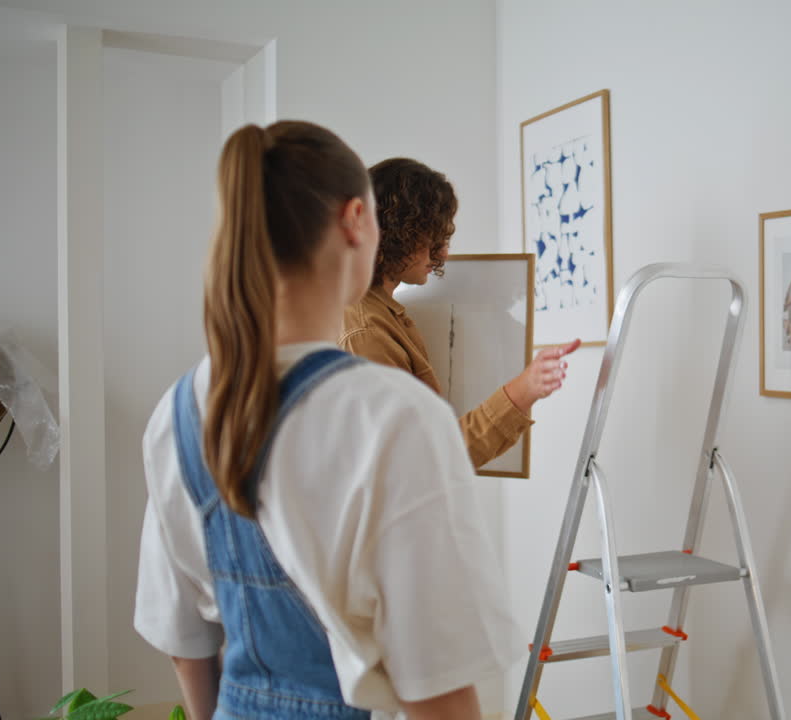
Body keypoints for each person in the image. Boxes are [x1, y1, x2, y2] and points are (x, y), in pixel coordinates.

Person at [134, 122, 518, 720]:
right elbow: (437, 688)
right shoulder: (393, 416)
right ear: (357, 220)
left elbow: (185, 644)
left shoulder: (180, 411)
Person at [339, 158, 579, 468]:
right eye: (431, 238)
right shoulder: (366, 332)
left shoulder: (379, 315)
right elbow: (422, 457)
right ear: (397, 233)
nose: (442, 253)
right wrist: (523, 390)